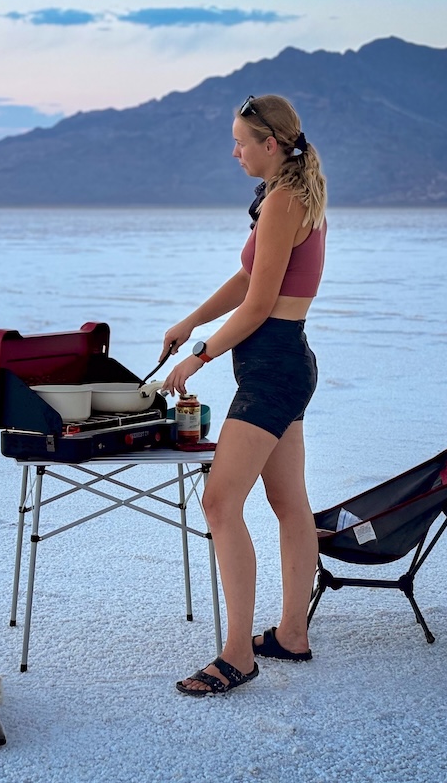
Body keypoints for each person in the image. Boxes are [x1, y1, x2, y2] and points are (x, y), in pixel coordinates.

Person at [162, 94, 328, 696]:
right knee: (289, 504)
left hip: (272, 371)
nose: (234, 152)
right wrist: (190, 321)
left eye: (240, 142)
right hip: (282, 366)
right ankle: (291, 635)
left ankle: (238, 655)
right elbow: (247, 280)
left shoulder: (285, 199)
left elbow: (259, 306)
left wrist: (198, 357)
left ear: (271, 144)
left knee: (218, 502)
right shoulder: (284, 198)